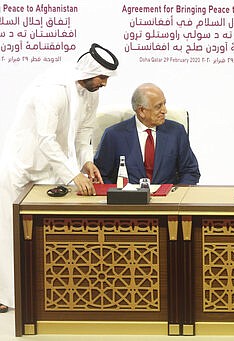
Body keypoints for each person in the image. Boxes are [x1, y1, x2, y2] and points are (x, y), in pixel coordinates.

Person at [0, 43, 119, 312]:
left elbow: (83, 132)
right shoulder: (51, 89)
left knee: (47, 231)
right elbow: (45, 138)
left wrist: (86, 161)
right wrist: (73, 174)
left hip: (53, 170)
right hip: (23, 165)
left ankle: (45, 295)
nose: (104, 83)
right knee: (9, 231)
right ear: (89, 71)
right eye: (102, 78)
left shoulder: (90, 92)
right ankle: (7, 296)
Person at [94, 83, 200, 185]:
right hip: (128, 200)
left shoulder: (176, 132)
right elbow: (102, 175)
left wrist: (177, 195)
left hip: (167, 199)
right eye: (158, 106)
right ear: (141, 111)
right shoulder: (113, 135)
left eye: (164, 104)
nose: (164, 110)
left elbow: (190, 171)